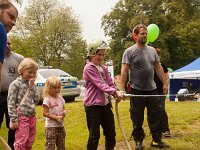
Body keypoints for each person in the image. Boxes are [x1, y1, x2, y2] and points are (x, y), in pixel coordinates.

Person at [120, 24, 169, 150]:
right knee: (137, 118)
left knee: (156, 116)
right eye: (142, 33)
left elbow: (159, 68)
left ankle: (157, 140)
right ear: (135, 36)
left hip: (152, 90)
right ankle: (138, 142)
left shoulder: (152, 51)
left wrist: (165, 83)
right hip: (137, 90)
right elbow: (124, 71)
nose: (145, 35)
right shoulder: (129, 51)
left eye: (146, 33)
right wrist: (122, 89)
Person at [83, 39, 121, 150]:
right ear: (92, 53)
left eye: (103, 54)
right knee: (94, 136)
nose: (101, 57)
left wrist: (115, 93)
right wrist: (114, 92)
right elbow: (100, 84)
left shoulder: (104, 68)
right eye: (99, 54)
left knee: (111, 134)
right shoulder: (88, 68)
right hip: (93, 106)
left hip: (105, 105)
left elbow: (110, 83)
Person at [7, 58, 39, 150]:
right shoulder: (15, 84)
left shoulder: (32, 84)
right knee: (21, 141)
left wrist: (32, 87)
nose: (32, 75)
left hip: (32, 116)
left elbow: (36, 100)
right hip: (22, 117)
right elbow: (11, 103)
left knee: (30, 141)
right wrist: (14, 119)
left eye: (34, 72)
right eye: (30, 72)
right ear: (22, 70)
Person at [0, 37, 24, 149]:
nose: (7, 46)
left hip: (13, 98)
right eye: (4, 43)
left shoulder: (19, 59)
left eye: (9, 43)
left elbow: (27, 75)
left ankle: (12, 147)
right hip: (0, 96)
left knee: (13, 126)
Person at [42, 76, 66, 150]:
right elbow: (45, 113)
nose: (57, 89)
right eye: (54, 88)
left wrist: (64, 113)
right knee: (50, 146)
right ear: (48, 88)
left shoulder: (60, 98)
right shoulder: (47, 99)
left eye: (58, 87)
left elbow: (64, 109)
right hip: (51, 127)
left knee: (61, 146)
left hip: (60, 126)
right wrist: (56, 117)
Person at [153, 47, 171, 137]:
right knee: (153, 111)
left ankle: (166, 130)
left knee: (161, 110)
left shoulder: (162, 65)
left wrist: (166, 86)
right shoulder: (149, 64)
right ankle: (156, 130)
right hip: (151, 91)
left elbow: (166, 76)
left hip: (160, 91)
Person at [0, 1, 18, 87]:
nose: (14, 23)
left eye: (15, 20)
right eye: (11, 17)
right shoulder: (1, 29)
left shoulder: (18, 58)